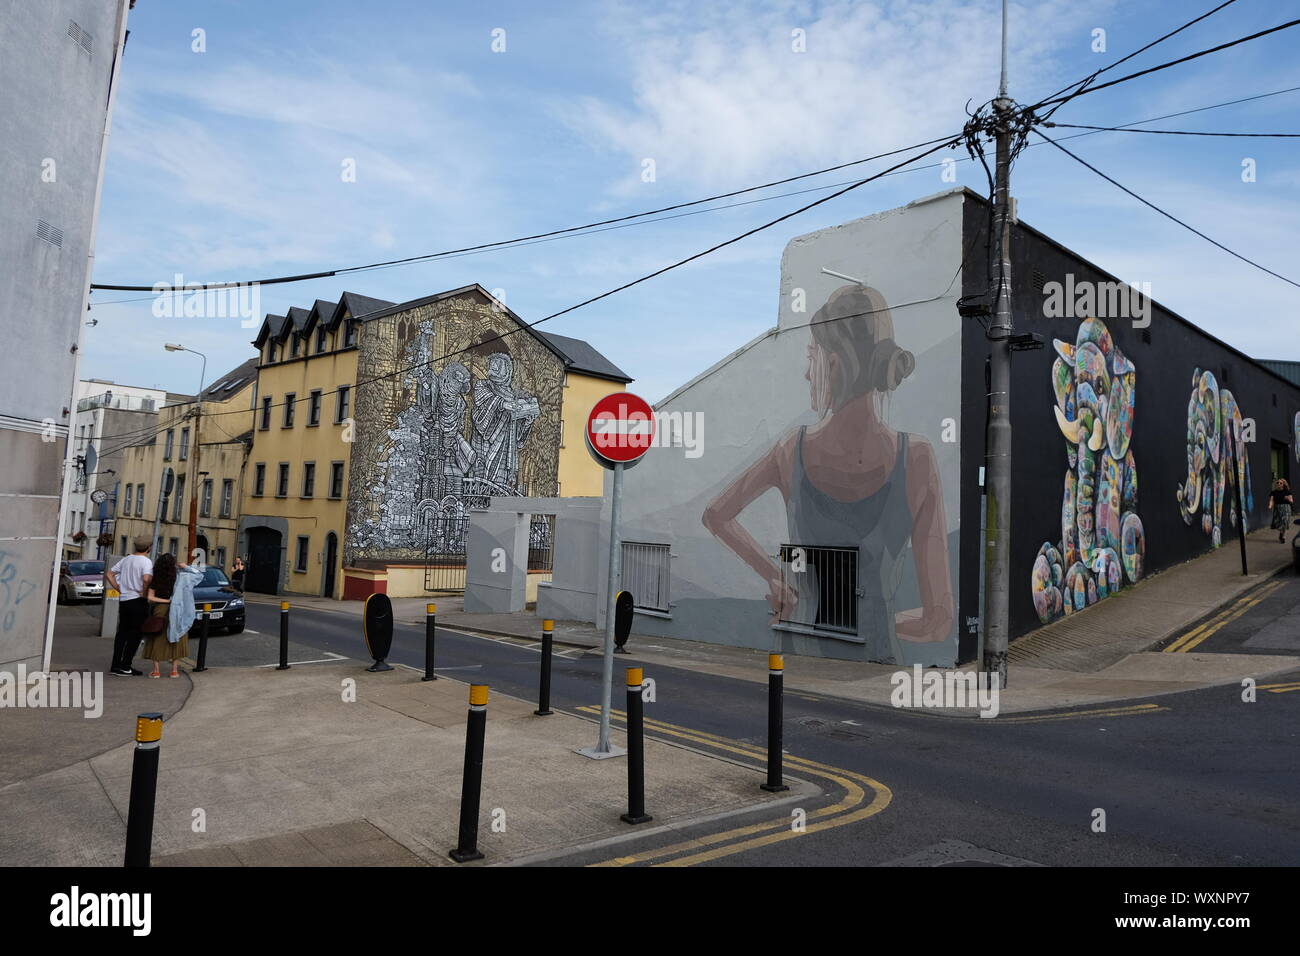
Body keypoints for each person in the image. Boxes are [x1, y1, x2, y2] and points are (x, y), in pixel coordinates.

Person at [702, 283, 954, 664]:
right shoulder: (916, 458)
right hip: (877, 672)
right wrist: (876, 622)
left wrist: (775, 577)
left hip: (792, 663)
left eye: (811, 357)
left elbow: (716, 515)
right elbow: (938, 622)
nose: (806, 374)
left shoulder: (791, 450)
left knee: (781, 725)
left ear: (833, 363)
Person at [141, 553, 201, 678]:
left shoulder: (156, 579)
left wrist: (166, 601)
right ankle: (174, 671)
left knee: (157, 637)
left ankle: (156, 671)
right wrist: (186, 566)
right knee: (177, 637)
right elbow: (199, 575)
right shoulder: (181, 577)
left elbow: (150, 598)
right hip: (178, 610)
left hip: (160, 610)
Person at [104, 536, 153, 676]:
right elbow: (146, 579)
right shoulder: (146, 562)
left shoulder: (126, 559)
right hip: (137, 600)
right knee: (136, 634)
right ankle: (126, 665)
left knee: (122, 633)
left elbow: (109, 574)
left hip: (124, 600)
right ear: (148, 548)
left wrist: (118, 588)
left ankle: (115, 665)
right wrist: (144, 593)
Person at [1269, 478, 1294, 543]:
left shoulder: (1287, 492)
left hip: (1286, 508)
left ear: (1283, 484)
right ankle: (1281, 533)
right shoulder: (1273, 492)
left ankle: (1283, 537)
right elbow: (1271, 500)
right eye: (1277, 483)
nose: (1279, 484)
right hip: (1277, 508)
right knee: (1277, 523)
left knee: (1285, 522)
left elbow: (1291, 501)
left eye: (1280, 483)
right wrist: (1270, 505)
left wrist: (1287, 498)